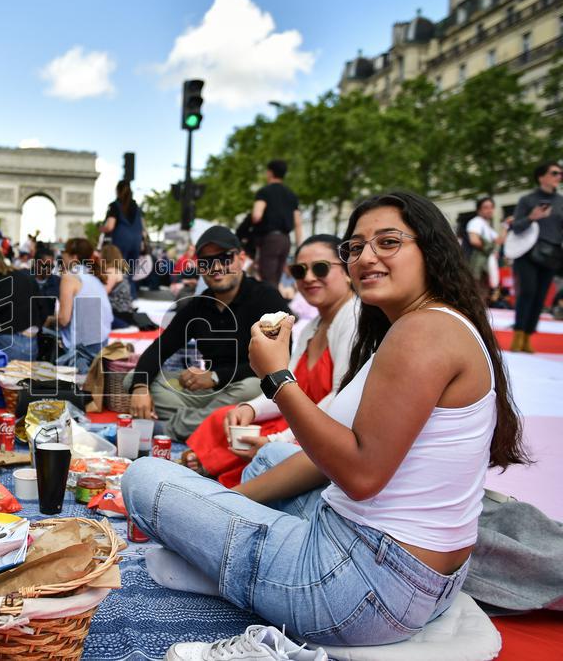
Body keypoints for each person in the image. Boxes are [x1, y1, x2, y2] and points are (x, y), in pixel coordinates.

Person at [124, 191, 526, 652]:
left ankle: (228, 569)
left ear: (430, 249)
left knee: (144, 476)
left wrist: (275, 378)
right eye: (355, 248)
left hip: (361, 590)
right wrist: (226, 502)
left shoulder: (421, 332)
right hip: (418, 581)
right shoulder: (426, 325)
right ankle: (229, 557)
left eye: (388, 242)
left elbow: (360, 475)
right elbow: (331, 452)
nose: (366, 257)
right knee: (271, 458)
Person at [184, 235, 358, 487]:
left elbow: (339, 398)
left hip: (325, 428)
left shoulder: (353, 319)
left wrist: (278, 440)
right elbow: (287, 384)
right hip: (299, 418)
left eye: (320, 268)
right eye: (299, 270)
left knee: (259, 439)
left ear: (346, 271)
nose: (308, 278)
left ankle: (217, 469)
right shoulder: (312, 326)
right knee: (230, 415)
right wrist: (250, 408)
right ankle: (211, 464)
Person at [125, 226, 290, 440]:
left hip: (246, 387)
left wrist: (214, 376)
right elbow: (160, 348)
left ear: (241, 258)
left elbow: (279, 362)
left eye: (225, 257)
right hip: (208, 394)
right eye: (207, 262)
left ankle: (175, 428)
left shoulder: (266, 297)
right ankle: (207, 423)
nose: (217, 267)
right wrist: (140, 387)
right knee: (133, 379)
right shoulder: (198, 306)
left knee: (252, 388)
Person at [509, 161, 563, 353]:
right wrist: (532, 216)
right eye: (555, 173)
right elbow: (515, 226)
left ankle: (528, 336)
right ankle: (518, 334)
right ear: (541, 177)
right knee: (528, 292)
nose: (559, 176)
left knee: (541, 297)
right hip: (528, 253)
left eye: (560, 173)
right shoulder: (527, 199)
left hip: (552, 254)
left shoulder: (561, 201)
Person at [45, 237, 112, 373]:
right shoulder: (94, 276)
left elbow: (64, 319)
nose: (61, 255)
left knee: (42, 333)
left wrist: (49, 320)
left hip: (81, 349)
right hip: (101, 342)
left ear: (73, 256)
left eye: (64, 252)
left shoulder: (70, 277)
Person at [251, 159, 302, 285]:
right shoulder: (291, 195)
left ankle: (269, 304)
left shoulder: (264, 192)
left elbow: (256, 215)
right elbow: (298, 223)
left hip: (270, 240)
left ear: (269, 173)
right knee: (277, 279)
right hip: (285, 240)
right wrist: (300, 247)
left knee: (267, 280)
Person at [100, 180, 144, 299]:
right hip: (136, 240)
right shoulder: (136, 206)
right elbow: (143, 227)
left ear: (117, 191)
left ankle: (119, 297)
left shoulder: (115, 205)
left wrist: (100, 228)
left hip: (121, 239)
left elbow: (110, 226)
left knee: (118, 269)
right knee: (130, 272)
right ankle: (131, 296)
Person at [464, 197, 505, 304]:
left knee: (481, 294)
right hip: (476, 265)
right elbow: (474, 240)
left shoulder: (485, 225)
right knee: (476, 294)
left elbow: (499, 240)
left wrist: (505, 226)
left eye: (491, 207)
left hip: (483, 266)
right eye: (486, 207)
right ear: (479, 210)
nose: (490, 210)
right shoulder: (476, 222)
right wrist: (489, 249)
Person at [100, 244, 136, 328]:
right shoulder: (119, 271)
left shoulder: (111, 272)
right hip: (125, 313)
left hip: (118, 314)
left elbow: (101, 293)